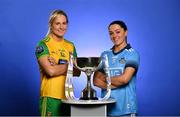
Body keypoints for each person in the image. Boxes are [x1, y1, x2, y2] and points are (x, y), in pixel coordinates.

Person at [35, 9, 80, 116]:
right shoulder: (43, 45)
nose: (61, 27)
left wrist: (58, 66)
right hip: (51, 97)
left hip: (68, 97)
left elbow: (78, 71)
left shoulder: (70, 45)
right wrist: (69, 66)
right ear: (51, 24)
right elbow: (50, 71)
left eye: (64, 23)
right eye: (57, 23)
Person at [93, 20, 140, 116]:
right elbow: (95, 81)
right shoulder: (105, 54)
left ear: (125, 32)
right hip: (107, 109)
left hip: (126, 111)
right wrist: (115, 83)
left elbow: (124, 79)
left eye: (118, 32)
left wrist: (105, 79)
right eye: (111, 33)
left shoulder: (132, 54)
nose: (114, 36)